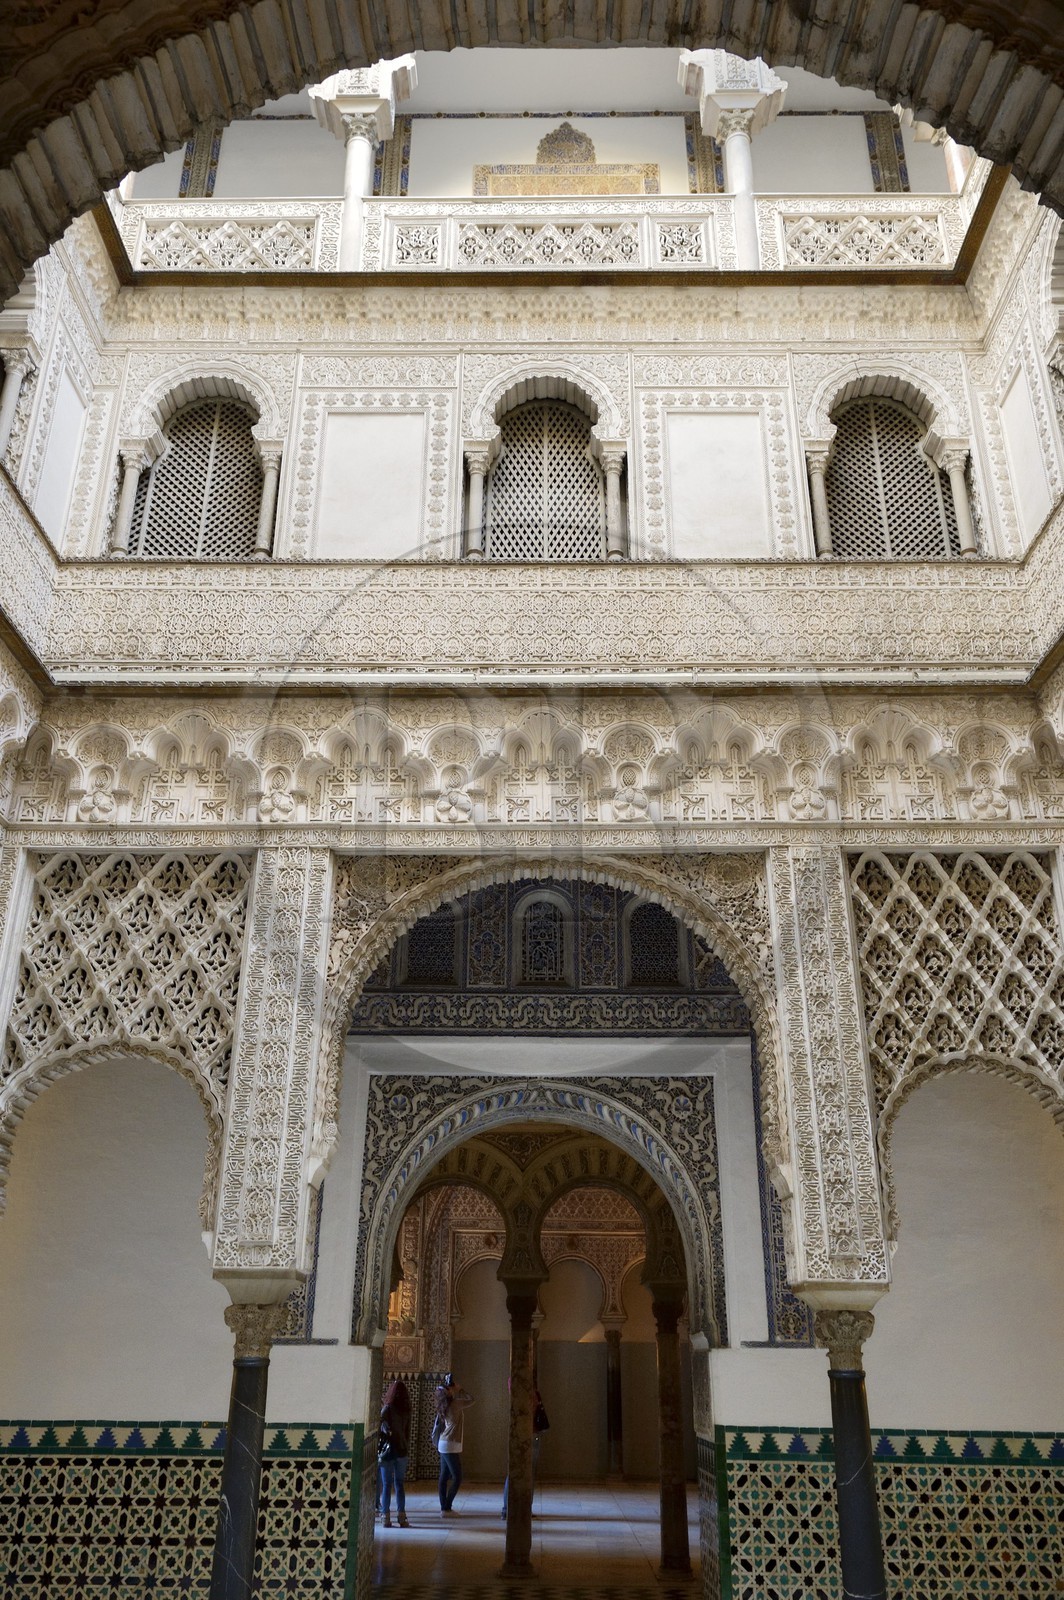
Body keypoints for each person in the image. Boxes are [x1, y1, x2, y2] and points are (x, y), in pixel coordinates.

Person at [502, 1387, 549, 1518]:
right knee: (521, 1474)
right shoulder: (520, 1384)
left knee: (524, 1474)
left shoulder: (525, 1386)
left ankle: (518, 1509)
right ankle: (511, 1509)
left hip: (527, 1434)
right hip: (529, 1434)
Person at [434, 1372, 474, 1514]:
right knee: (457, 1477)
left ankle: (444, 1506)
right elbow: (472, 1399)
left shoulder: (442, 1405)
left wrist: (452, 1390)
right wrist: (460, 1389)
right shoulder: (456, 1404)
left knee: (444, 1476)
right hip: (450, 1444)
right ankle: (447, 1506)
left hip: (443, 1444)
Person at [378, 1378, 412, 1528]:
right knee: (399, 1484)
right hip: (402, 1450)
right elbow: (407, 1432)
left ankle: (385, 1517)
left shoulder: (388, 1408)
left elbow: (381, 1426)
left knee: (387, 1485)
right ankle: (402, 1517)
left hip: (388, 1451)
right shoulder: (407, 1409)